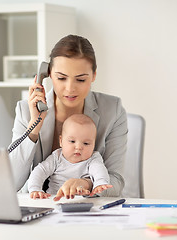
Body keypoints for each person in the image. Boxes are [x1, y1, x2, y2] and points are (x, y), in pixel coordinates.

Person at [9, 34, 127, 201]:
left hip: (87, 207)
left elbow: (116, 181)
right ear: (47, 74)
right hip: (40, 205)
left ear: (93, 76)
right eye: (61, 78)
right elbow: (11, 183)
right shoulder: (26, 110)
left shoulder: (113, 110)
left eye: (80, 79)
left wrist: (86, 184)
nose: (70, 88)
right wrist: (34, 128)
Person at [28, 114, 112, 199]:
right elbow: (40, 171)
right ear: (61, 141)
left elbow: (99, 171)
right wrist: (35, 189)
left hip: (82, 201)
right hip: (54, 198)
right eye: (72, 141)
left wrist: (100, 184)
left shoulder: (93, 158)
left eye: (86, 143)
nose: (78, 147)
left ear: (94, 145)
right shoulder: (57, 157)